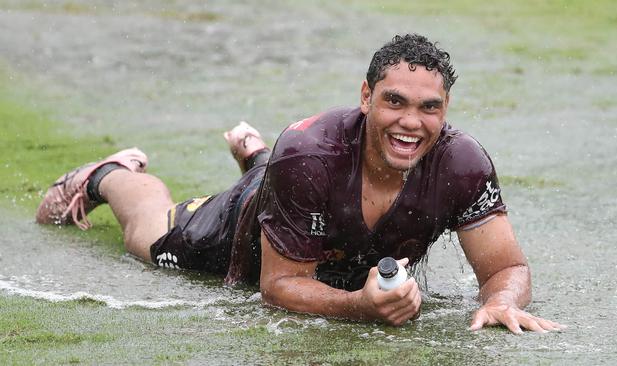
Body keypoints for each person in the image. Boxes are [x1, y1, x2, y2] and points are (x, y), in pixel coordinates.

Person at [36, 34, 564, 334]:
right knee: (149, 236)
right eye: (394, 101)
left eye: (429, 108)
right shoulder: (312, 155)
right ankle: (110, 175)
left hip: (300, 188)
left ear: (445, 110)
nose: (411, 122)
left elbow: (506, 268)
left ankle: (259, 159)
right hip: (252, 217)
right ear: (365, 97)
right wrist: (358, 306)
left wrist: (502, 300)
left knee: (291, 181)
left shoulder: (462, 162)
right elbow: (278, 286)